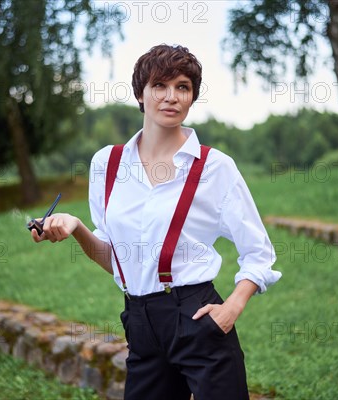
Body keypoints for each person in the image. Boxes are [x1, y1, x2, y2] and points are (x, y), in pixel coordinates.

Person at [31, 44, 281, 400]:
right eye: (159, 86)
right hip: (140, 322)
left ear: (192, 97)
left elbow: (258, 252)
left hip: (197, 318)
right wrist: (75, 226)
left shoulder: (214, 167)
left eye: (183, 87)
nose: (171, 97)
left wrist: (231, 308)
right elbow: (117, 260)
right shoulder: (107, 164)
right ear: (140, 93)